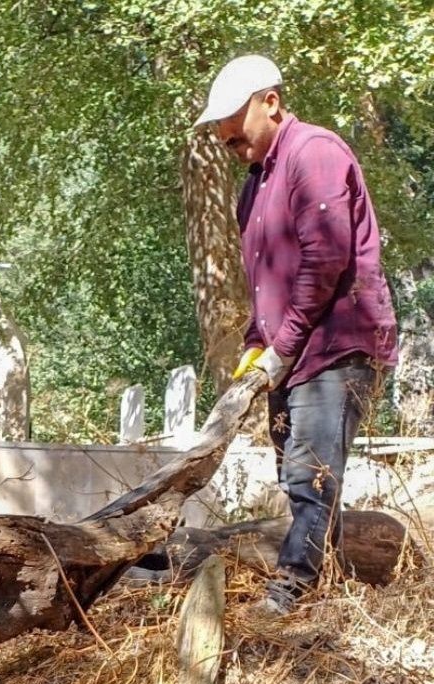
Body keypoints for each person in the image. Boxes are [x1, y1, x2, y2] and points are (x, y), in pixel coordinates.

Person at [195, 55, 398, 615]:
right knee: (297, 475)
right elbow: (266, 279)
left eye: (239, 138)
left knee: (310, 472)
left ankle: (291, 592)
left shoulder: (315, 153)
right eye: (228, 145)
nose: (236, 151)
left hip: (337, 346)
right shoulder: (254, 186)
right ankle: (321, 591)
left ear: (271, 102)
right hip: (293, 348)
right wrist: (256, 343)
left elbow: (325, 259)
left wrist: (279, 347)